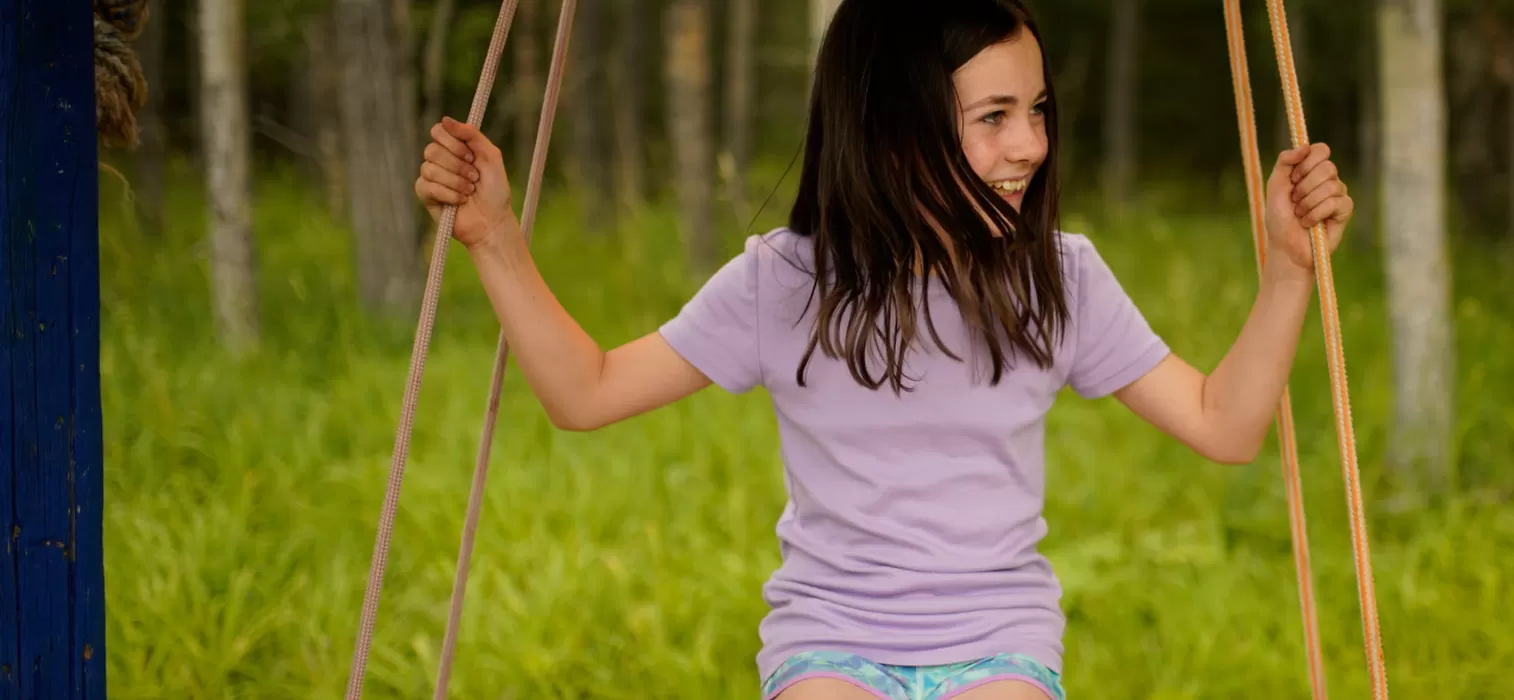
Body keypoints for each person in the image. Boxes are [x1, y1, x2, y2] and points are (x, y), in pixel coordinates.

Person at [412, 1, 1351, 697]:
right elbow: (586, 391)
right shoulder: (786, 283)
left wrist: (1286, 273)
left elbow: (1225, 426)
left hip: (1000, 640)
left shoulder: (1058, 278)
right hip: (831, 641)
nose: (1030, 143)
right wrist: (496, 238)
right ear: (894, 131)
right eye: (993, 117)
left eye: (1038, 108)